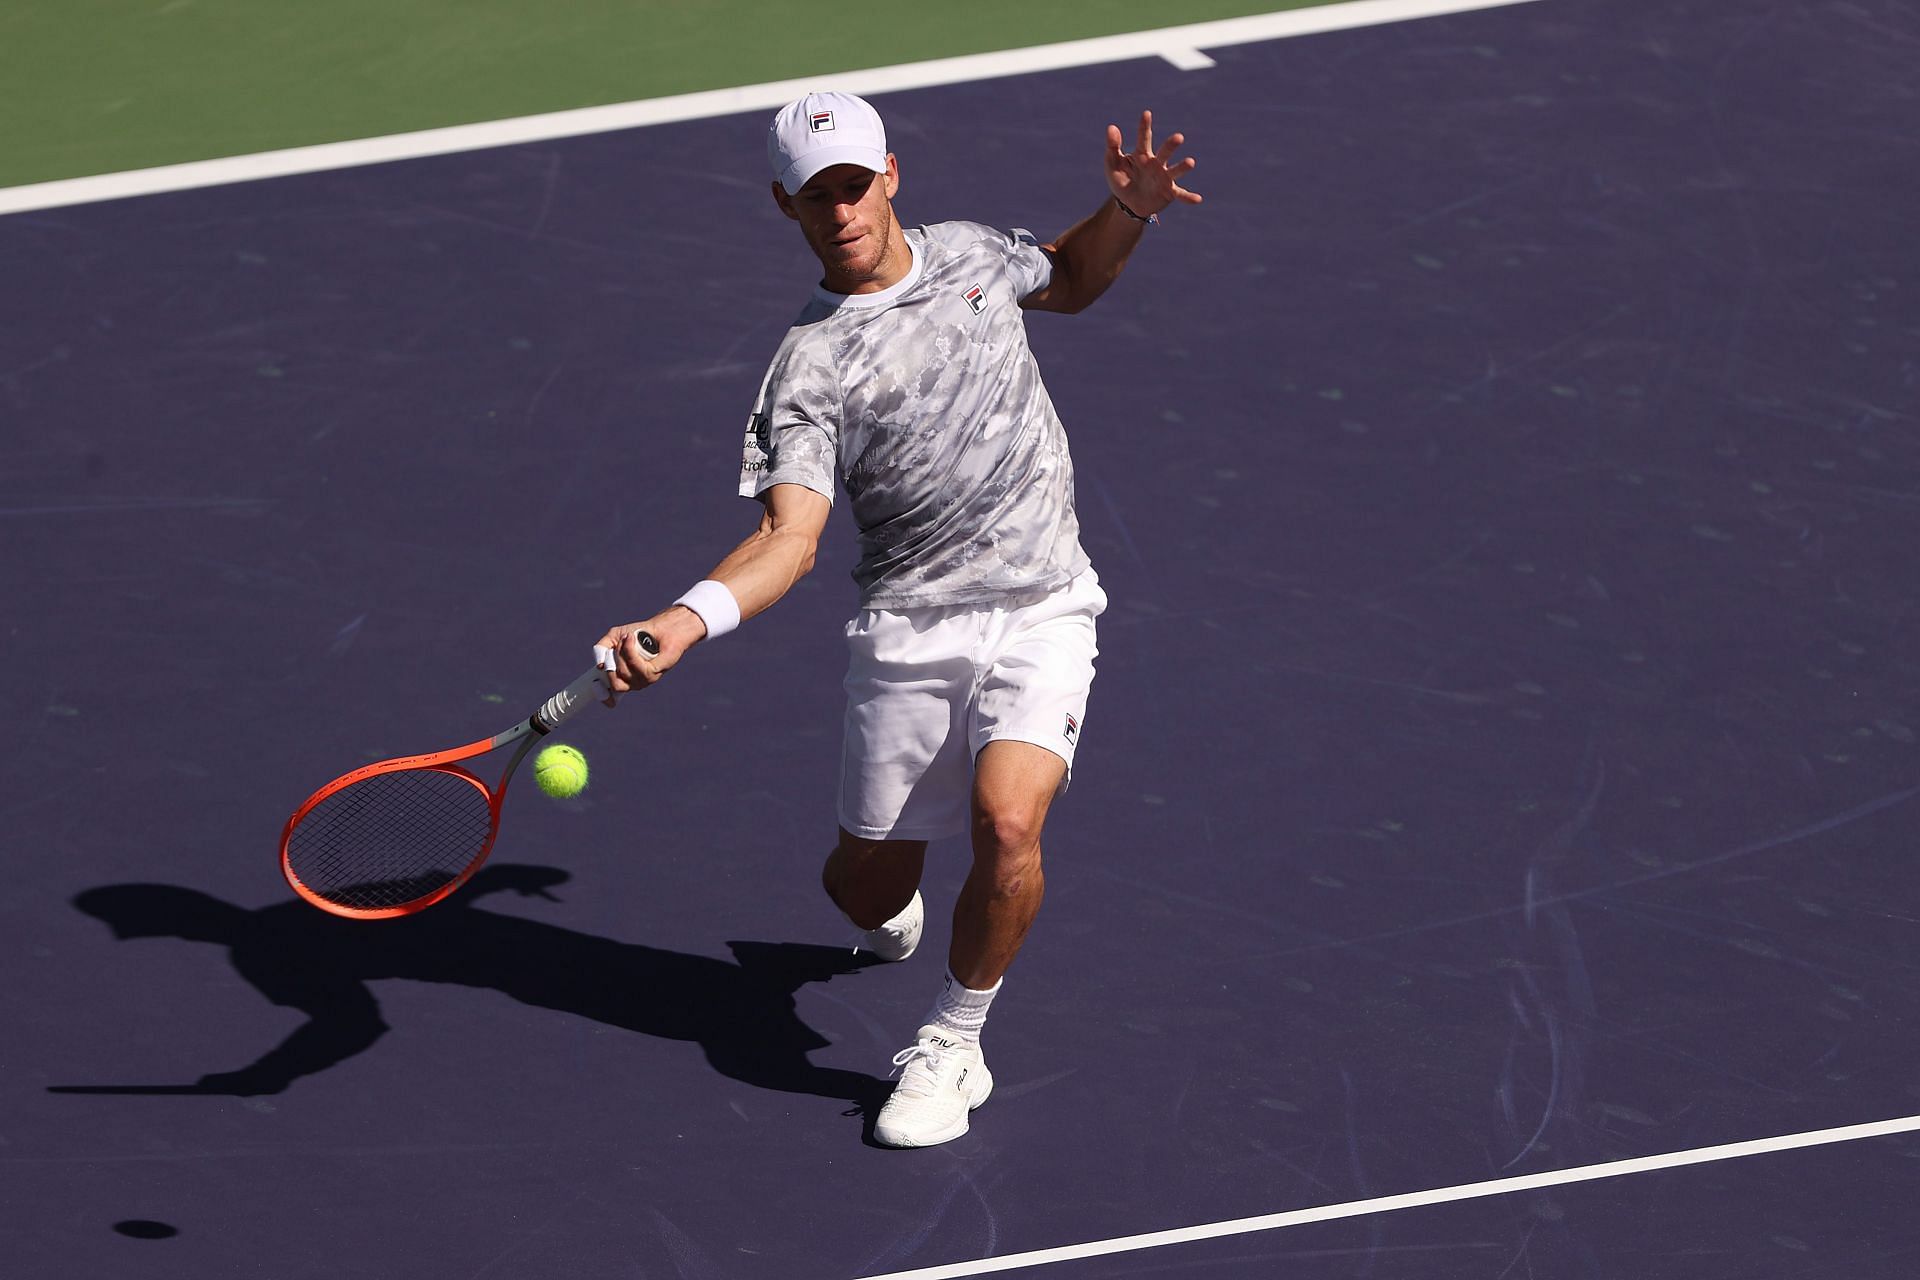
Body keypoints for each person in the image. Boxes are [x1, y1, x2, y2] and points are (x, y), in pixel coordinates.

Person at [596, 90, 1199, 1148]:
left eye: (855, 183)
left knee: (1009, 825)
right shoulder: (808, 370)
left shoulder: (971, 253)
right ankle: (888, 916)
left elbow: (1071, 275)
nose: (841, 209)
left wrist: (1129, 214)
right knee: (863, 879)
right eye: (817, 193)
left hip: (1044, 602)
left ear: (891, 176)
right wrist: (685, 620)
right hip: (911, 628)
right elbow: (790, 538)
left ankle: (952, 1042)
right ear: (785, 203)